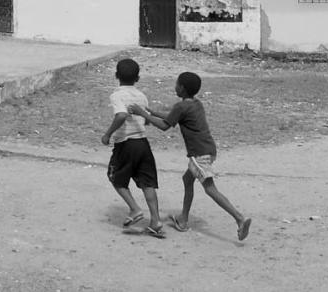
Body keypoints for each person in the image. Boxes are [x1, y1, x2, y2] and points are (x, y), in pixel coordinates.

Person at [130, 71, 252, 241]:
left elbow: (166, 126)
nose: (175, 87)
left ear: (182, 88)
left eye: (177, 84)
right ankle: (183, 219)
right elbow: (173, 118)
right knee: (187, 180)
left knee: (209, 188)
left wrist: (143, 114)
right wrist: (153, 113)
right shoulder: (195, 104)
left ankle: (239, 218)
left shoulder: (181, 107)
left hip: (198, 154)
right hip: (208, 149)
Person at [101, 57, 164, 239]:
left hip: (126, 144)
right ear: (137, 78)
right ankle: (156, 221)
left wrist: (108, 134)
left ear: (116, 76)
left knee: (115, 177)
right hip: (143, 143)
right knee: (147, 182)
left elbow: (120, 115)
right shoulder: (141, 96)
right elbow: (145, 120)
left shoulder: (116, 95)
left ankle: (135, 209)